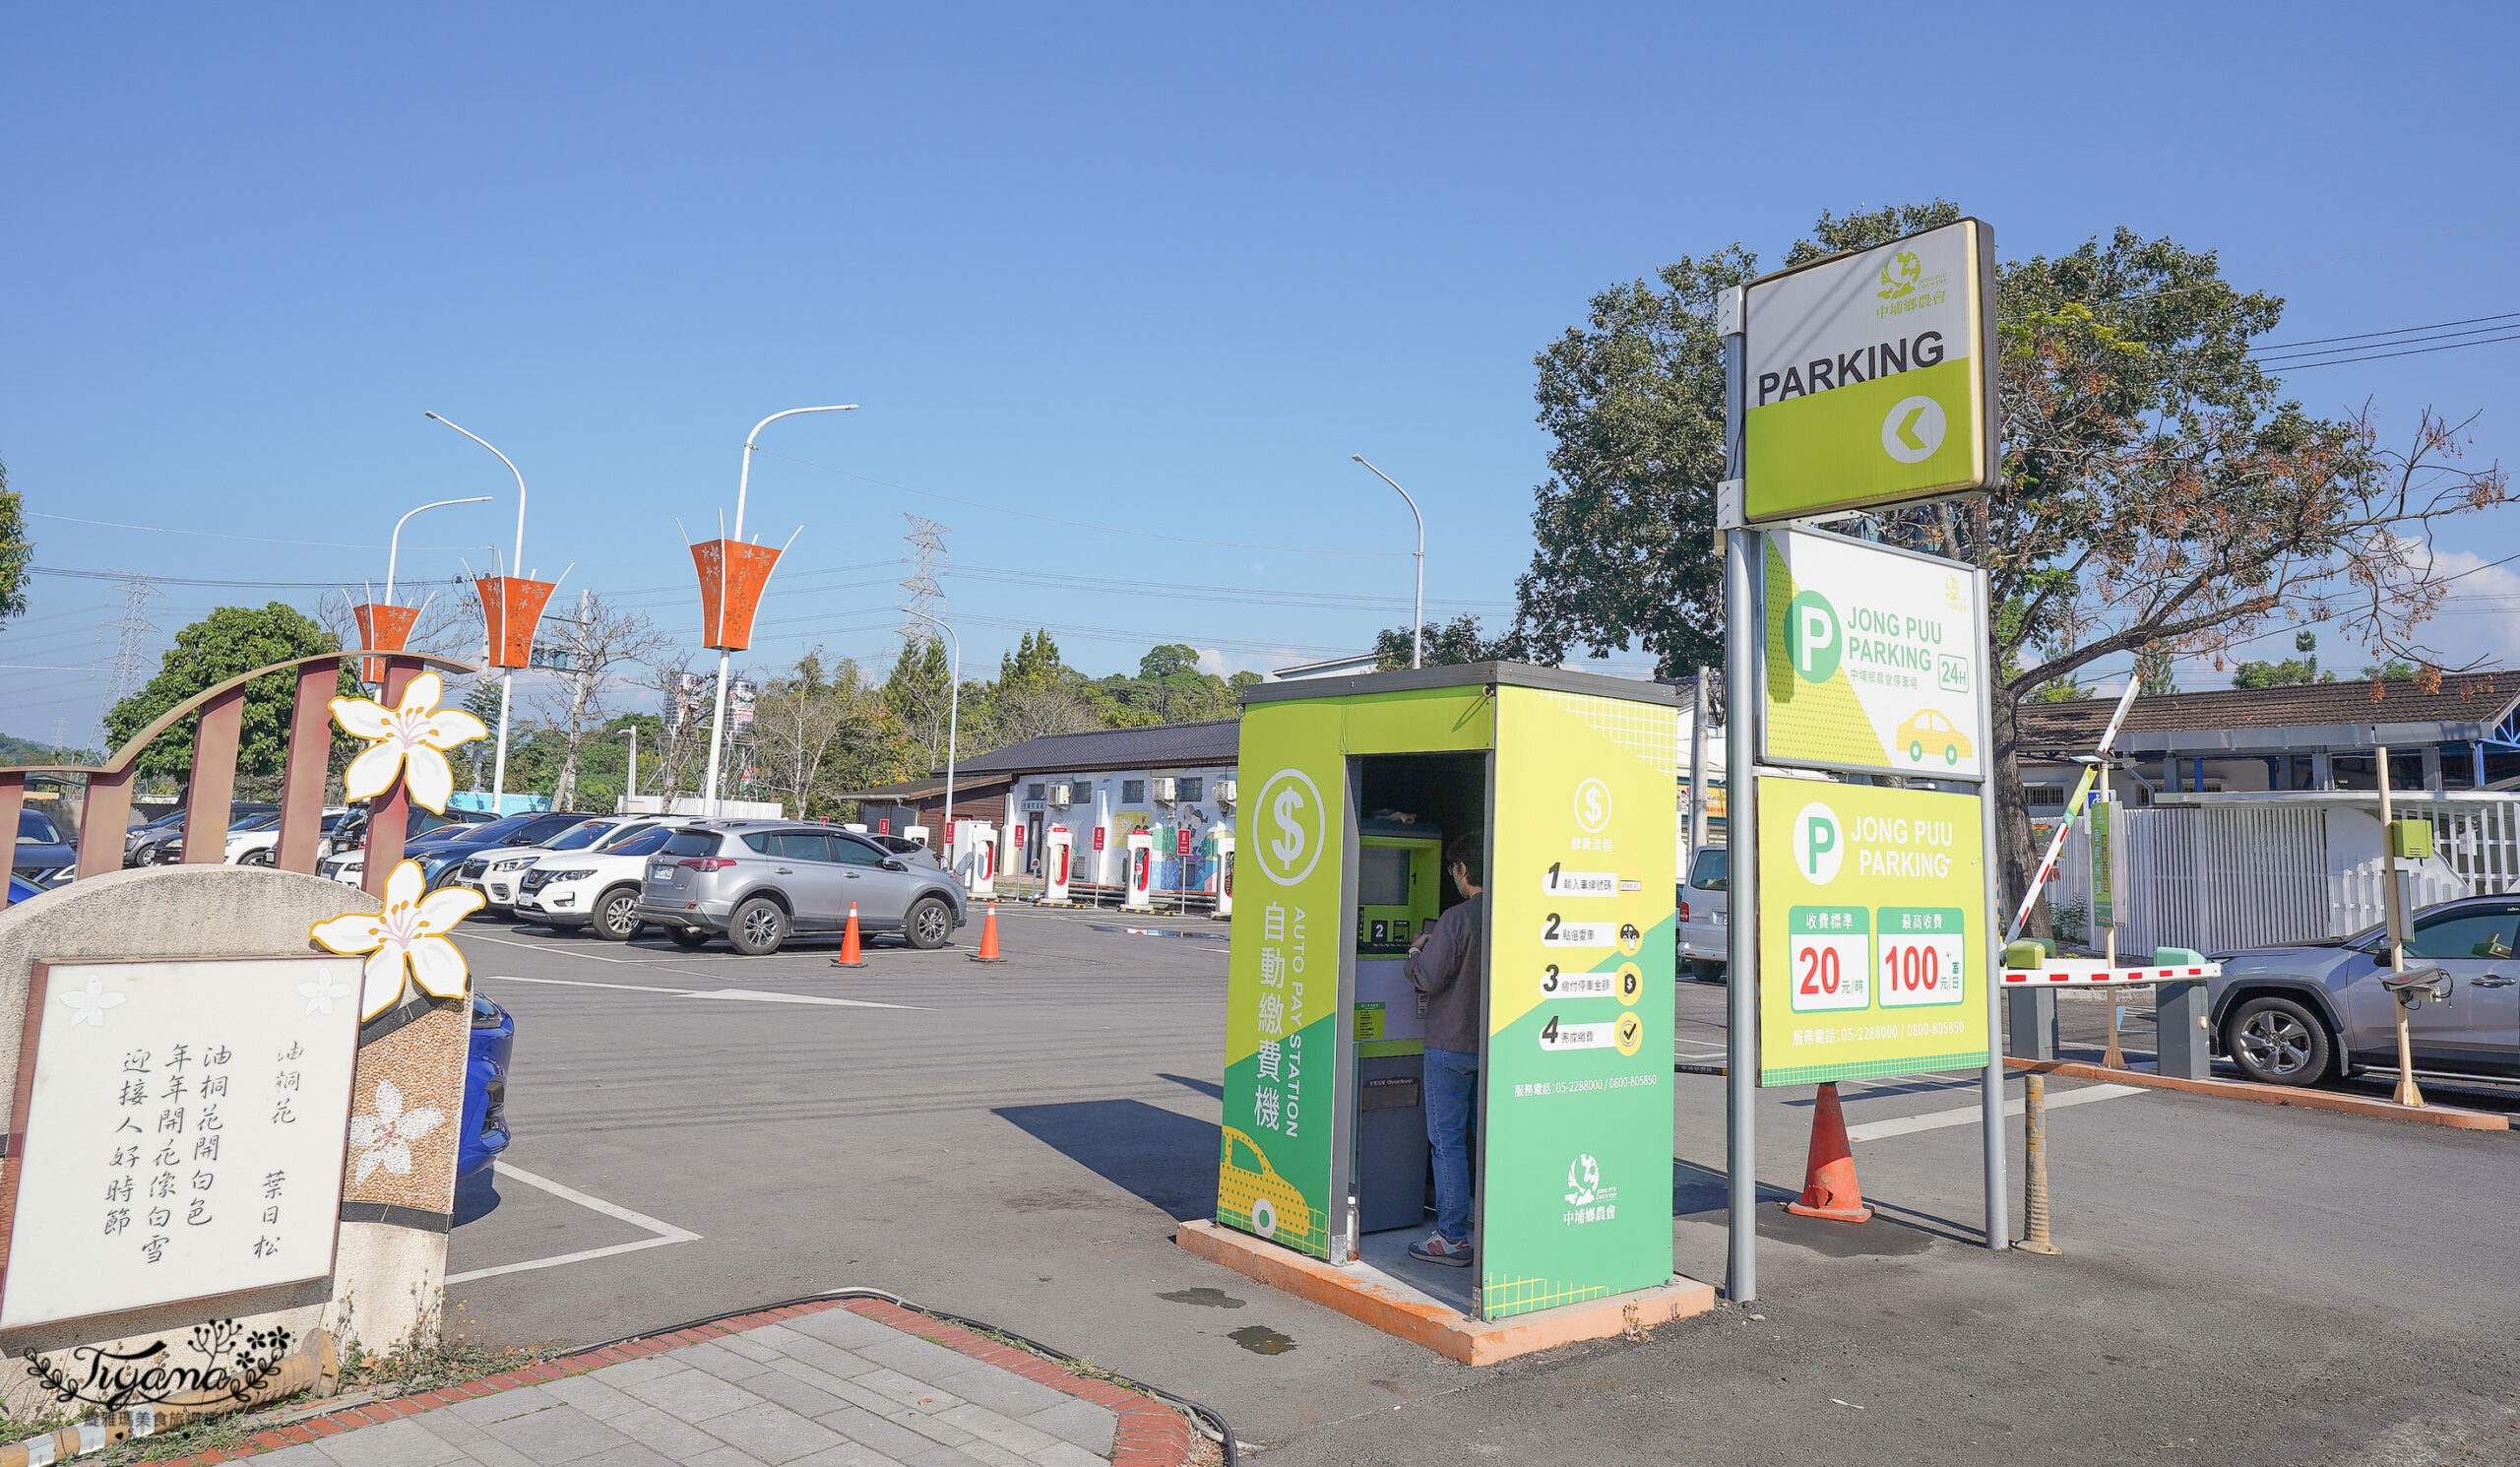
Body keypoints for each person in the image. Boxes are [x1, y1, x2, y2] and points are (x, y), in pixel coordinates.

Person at [1403, 830, 1484, 1267]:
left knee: (1447, 1142)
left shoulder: (1457, 919)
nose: (1453, 875)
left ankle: (1451, 1236)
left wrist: (1415, 950)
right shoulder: (1506, 913)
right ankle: (1479, 1219)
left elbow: (1428, 978)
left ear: (1463, 870)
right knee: (1481, 1139)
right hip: (1491, 1047)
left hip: (1450, 1046)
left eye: (1454, 869)